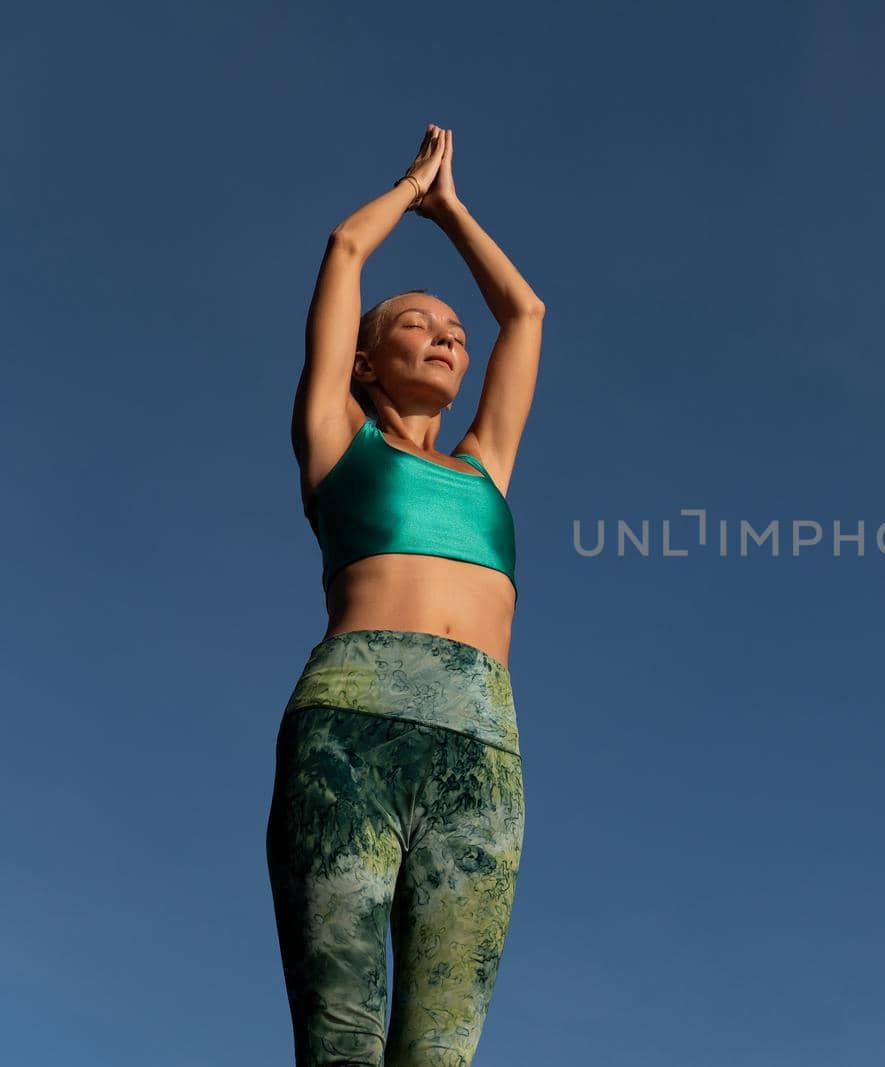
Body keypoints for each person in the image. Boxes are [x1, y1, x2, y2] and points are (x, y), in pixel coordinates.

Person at [264, 123, 546, 1066]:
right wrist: (413, 188)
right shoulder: (337, 443)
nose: (448, 338)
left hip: (483, 744)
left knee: (443, 1046)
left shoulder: (486, 469)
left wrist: (456, 215)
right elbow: (345, 249)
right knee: (342, 1033)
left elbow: (526, 315)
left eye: (454, 334)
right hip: (353, 726)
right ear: (365, 359)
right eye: (420, 325)